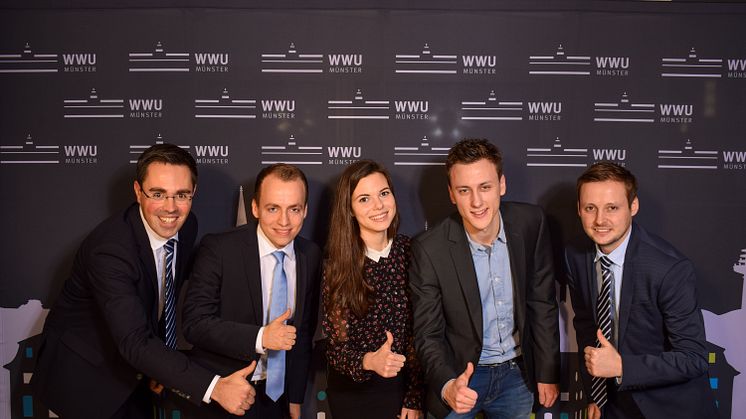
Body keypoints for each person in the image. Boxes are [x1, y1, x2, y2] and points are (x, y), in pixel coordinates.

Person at [31, 144, 256, 419]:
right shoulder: (110, 251)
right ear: (138, 192)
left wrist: (160, 366)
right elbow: (134, 341)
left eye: (181, 195)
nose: (171, 209)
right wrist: (216, 388)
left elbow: (162, 296)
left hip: (137, 366)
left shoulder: (187, 227)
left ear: (193, 193)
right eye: (158, 194)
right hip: (87, 376)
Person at [409, 138, 560, 419]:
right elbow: (428, 334)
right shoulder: (429, 248)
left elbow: (542, 303)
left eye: (485, 187)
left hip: (518, 375)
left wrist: (548, 371)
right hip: (461, 375)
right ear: (452, 194)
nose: (477, 202)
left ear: (502, 184)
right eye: (464, 190)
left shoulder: (531, 222)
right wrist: (447, 386)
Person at [565, 161, 718, 419]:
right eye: (591, 208)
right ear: (579, 209)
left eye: (612, 208)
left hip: (670, 407)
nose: (600, 220)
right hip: (612, 405)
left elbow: (694, 358)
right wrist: (596, 395)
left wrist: (621, 366)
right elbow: (586, 329)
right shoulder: (575, 257)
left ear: (633, 206)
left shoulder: (669, 268)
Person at [181, 163, 322, 419]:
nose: (284, 221)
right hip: (225, 394)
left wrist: (296, 398)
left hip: (277, 401)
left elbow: (302, 335)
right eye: (273, 208)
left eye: (294, 209)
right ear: (255, 208)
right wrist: (261, 337)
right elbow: (195, 324)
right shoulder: (219, 249)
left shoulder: (310, 255)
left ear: (305, 211)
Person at [322, 160, 424, 419]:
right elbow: (335, 349)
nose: (378, 206)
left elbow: (422, 333)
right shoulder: (337, 265)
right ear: (350, 210)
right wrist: (369, 361)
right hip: (354, 396)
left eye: (384, 193)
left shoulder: (413, 252)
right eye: (364, 199)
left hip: (404, 392)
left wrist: (414, 396)